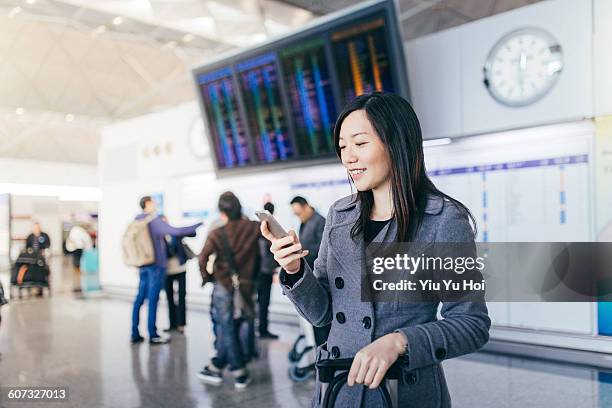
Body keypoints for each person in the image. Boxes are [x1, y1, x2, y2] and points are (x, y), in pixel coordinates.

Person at [261, 92, 490, 407]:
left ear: (396, 143)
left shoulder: (443, 220)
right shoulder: (340, 216)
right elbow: (322, 314)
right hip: (339, 390)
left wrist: (400, 342)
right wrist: (294, 270)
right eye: (343, 146)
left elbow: (471, 324)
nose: (348, 157)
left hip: (403, 392)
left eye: (360, 143)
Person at [197, 192, 260, 389]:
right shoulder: (253, 227)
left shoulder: (217, 233)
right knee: (238, 323)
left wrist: (207, 278)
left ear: (222, 211)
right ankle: (216, 366)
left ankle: (239, 372)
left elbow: (202, 258)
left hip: (223, 285)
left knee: (226, 326)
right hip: (247, 284)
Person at [131, 196, 202, 345]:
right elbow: (174, 231)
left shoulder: (137, 221)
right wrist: (196, 225)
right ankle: (153, 334)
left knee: (139, 299)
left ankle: (135, 333)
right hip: (155, 267)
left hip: (142, 265)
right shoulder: (153, 220)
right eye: (153, 202)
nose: (155, 205)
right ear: (148, 204)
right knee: (153, 300)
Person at [289, 196, 330, 347]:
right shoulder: (305, 222)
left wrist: (301, 253)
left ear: (306, 206)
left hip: (319, 277)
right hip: (311, 275)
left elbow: (323, 250)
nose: (298, 216)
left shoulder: (320, 222)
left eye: (299, 212)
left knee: (322, 324)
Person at [257, 202, 279, 339]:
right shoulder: (269, 228)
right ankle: (262, 329)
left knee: (260, 302)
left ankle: (261, 328)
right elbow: (266, 252)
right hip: (264, 272)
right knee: (264, 302)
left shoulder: (259, 227)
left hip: (259, 271)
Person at [163, 233, 190, 334]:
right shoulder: (158, 238)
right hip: (167, 272)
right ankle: (172, 324)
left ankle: (181, 324)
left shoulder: (175, 234)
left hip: (180, 270)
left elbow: (192, 233)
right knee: (169, 298)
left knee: (181, 297)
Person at [66, 224, 93, 293]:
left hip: (77, 247)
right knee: (77, 259)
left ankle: (77, 269)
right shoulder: (80, 231)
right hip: (77, 247)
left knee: (77, 259)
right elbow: (86, 240)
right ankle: (77, 269)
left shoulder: (76, 231)